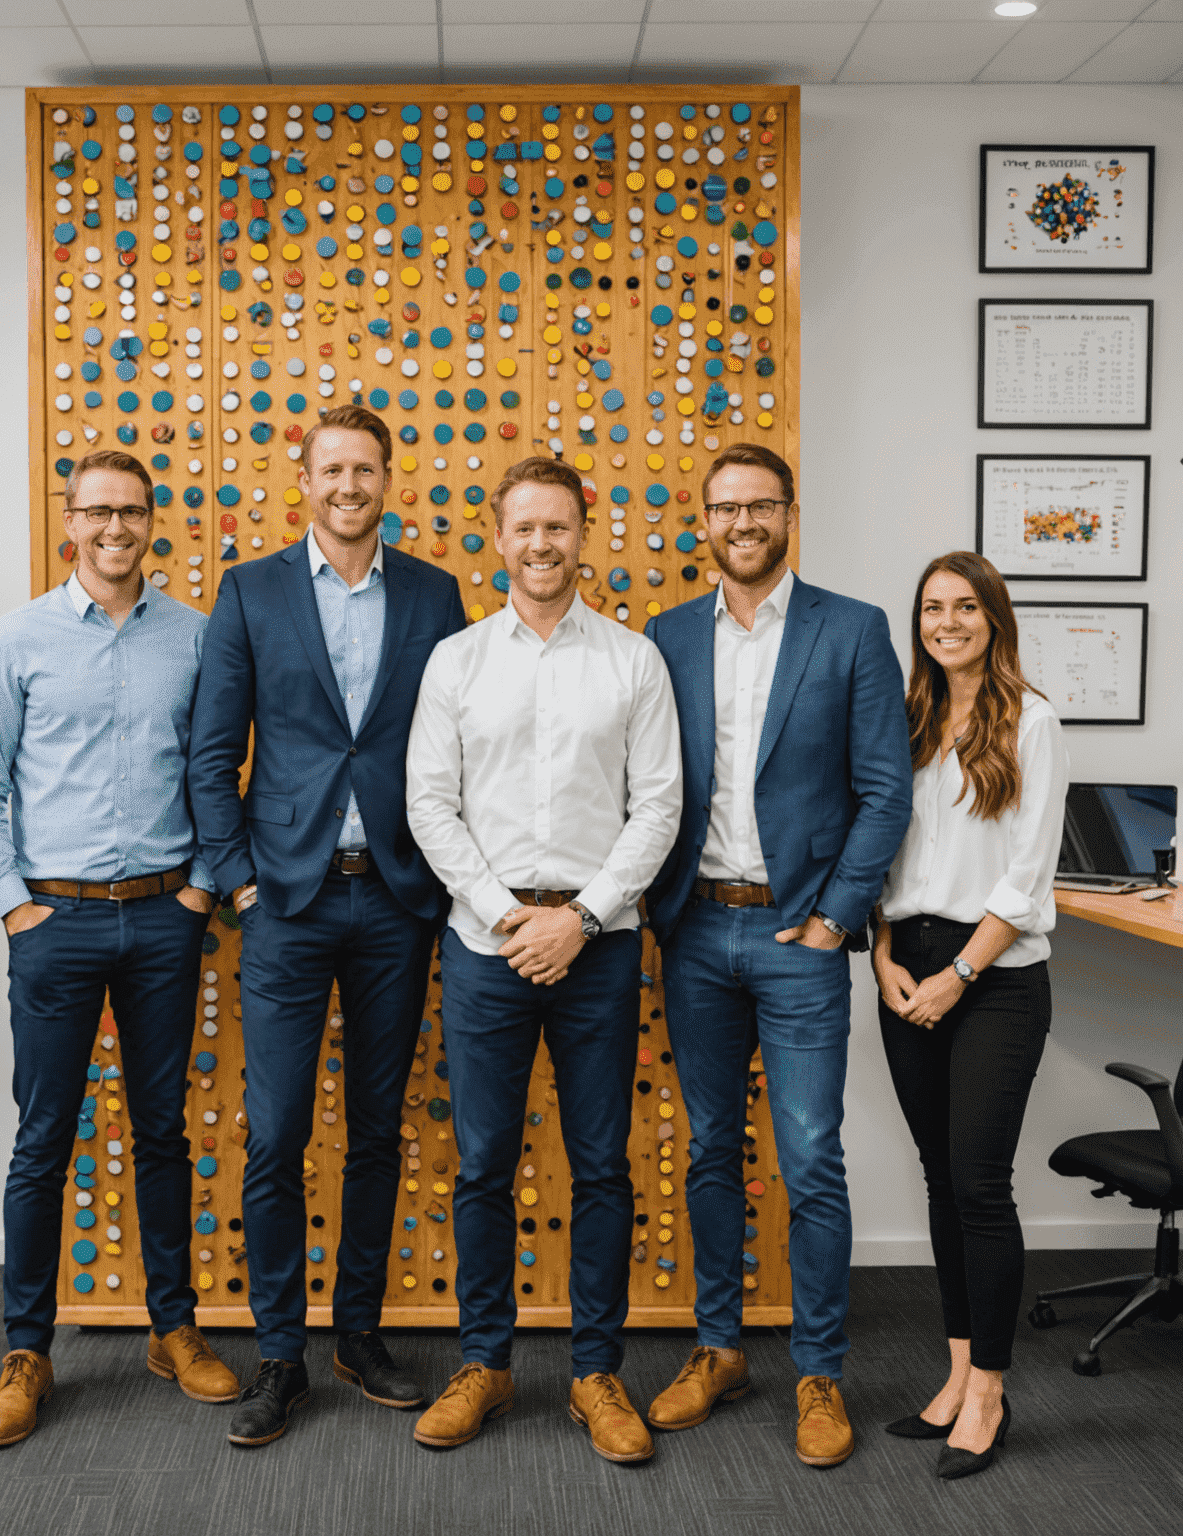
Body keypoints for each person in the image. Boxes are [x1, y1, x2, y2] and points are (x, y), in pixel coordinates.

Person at [189, 404, 466, 1447]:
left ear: (389, 480)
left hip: (397, 898)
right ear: (302, 477)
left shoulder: (436, 595)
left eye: (365, 469)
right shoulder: (252, 591)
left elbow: (461, 745)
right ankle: (278, 1354)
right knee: (275, 1135)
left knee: (381, 1130)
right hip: (288, 905)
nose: (348, 484)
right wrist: (243, 887)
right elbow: (213, 756)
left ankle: (359, 1334)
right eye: (331, 468)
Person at [0, 449, 236, 1448]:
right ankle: (26, 1348)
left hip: (165, 918)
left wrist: (202, 888)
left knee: (162, 1131)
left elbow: (218, 770)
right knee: (44, 1140)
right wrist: (16, 908)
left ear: (153, 521)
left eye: (132, 511)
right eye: (97, 512)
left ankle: (174, 1328)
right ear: (70, 521)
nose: (115, 528)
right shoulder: (18, 638)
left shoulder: (197, 639)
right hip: (56, 922)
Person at [642, 443, 913, 1468]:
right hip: (698, 929)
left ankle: (820, 1371)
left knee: (810, 1157)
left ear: (789, 513)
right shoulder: (665, 638)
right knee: (713, 1149)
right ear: (702, 521)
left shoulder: (852, 630)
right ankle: (719, 1349)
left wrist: (839, 918)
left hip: (802, 935)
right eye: (725, 507)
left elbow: (887, 789)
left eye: (760, 505)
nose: (743, 522)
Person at [405, 456, 681, 1463]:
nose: (542, 545)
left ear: (583, 532)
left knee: (601, 1167)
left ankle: (596, 1372)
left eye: (558, 528)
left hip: (599, 950)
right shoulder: (456, 661)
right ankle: (484, 1363)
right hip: (486, 950)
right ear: (498, 533)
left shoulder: (632, 661)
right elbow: (429, 804)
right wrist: (503, 914)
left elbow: (658, 805)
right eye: (525, 528)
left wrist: (586, 914)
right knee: (481, 1166)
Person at [873, 551, 1067, 1481]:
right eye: (931, 608)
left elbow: (1026, 879)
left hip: (992, 973)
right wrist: (880, 954)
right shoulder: (906, 719)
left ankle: (989, 1390)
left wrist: (956, 971)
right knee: (940, 1181)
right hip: (905, 963)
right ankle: (953, 1377)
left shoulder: (1032, 721)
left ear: (994, 616)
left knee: (981, 1184)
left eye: (964, 607)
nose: (945, 622)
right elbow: (879, 844)